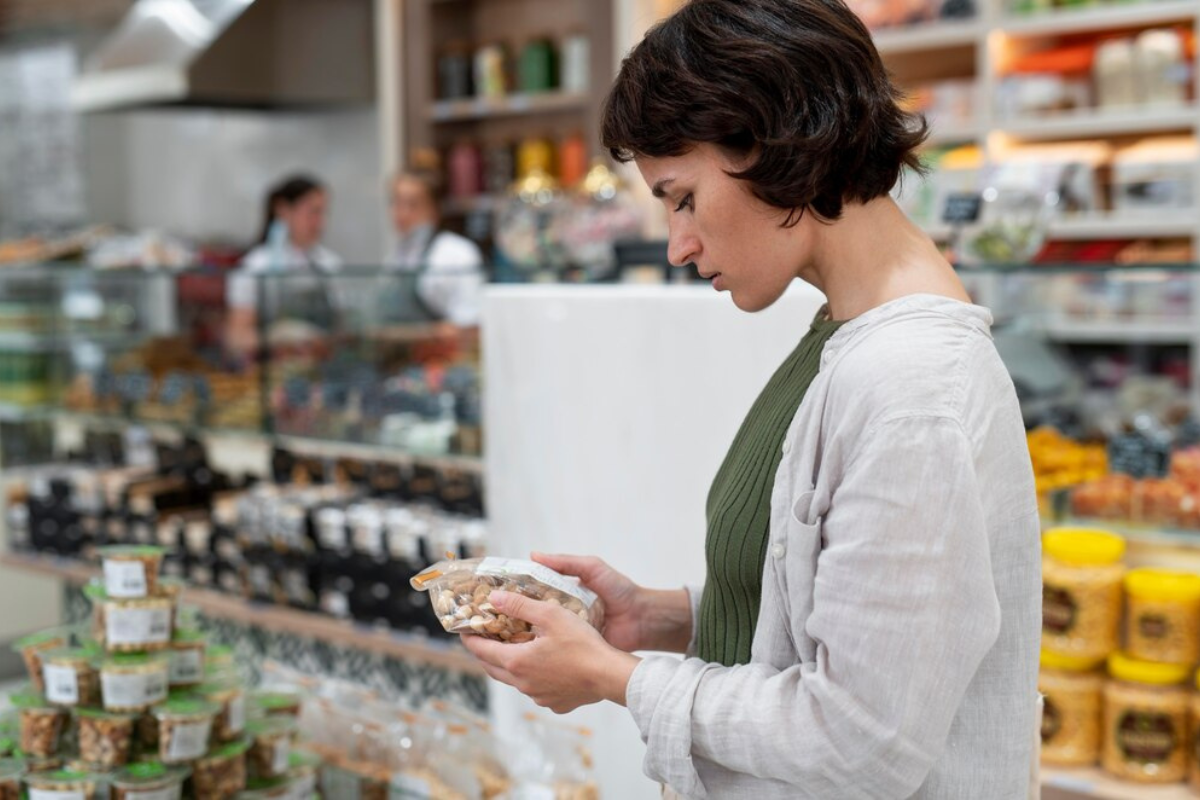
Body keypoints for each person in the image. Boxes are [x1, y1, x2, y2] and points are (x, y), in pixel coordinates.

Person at [461, 1, 1041, 798]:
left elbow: (863, 738)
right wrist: (657, 616)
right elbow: (836, 615)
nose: (677, 244)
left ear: (771, 144)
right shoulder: (844, 334)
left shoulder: (909, 385)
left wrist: (616, 678)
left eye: (683, 196)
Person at [226, 175, 343, 355]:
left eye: (323, 212)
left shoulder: (330, 264)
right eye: (313, 212)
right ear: (283, 210)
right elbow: (236, 338)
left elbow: (343, 328)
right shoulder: (255, 267)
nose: (320, 222)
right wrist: (279, 339)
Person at [387, 168, 485, 326]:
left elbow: (470, 322)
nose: (402, 213)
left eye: (413, 204)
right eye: (396, 202)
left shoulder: (458, 253)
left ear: (434, 209)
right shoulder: (395, 255)